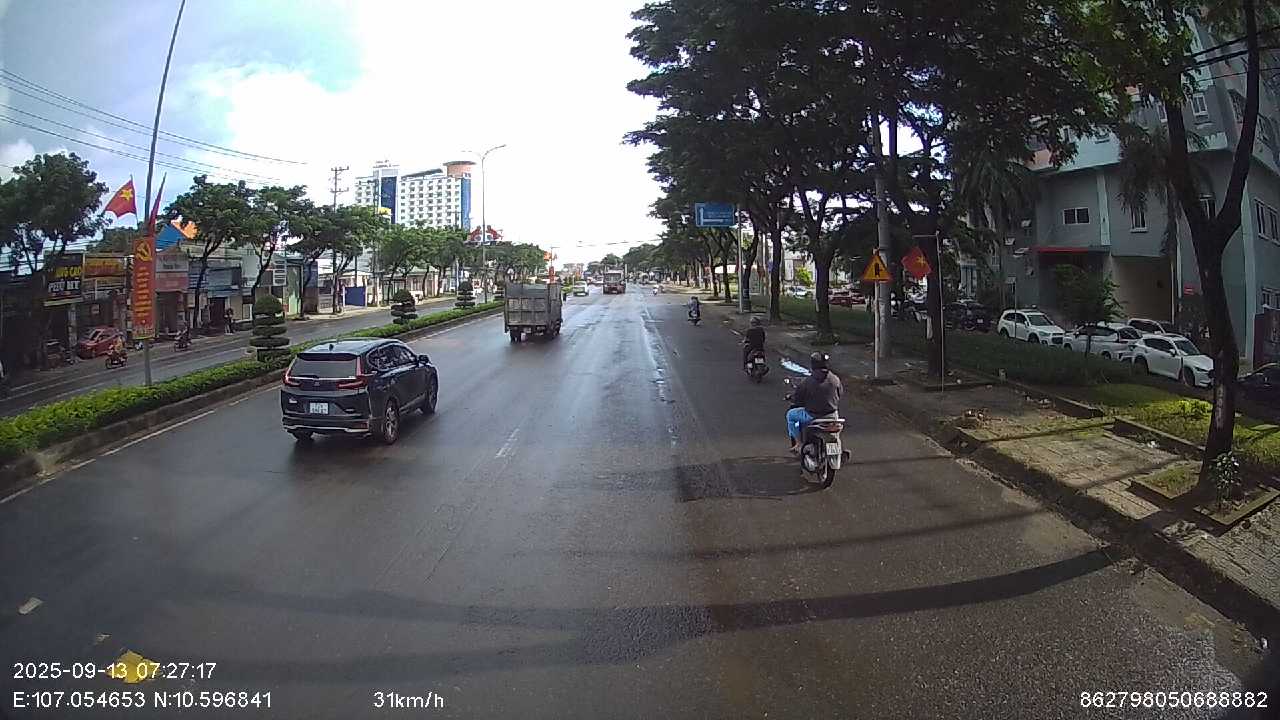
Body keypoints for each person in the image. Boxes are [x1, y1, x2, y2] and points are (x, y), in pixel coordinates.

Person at [787, 352, 843, 453]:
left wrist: (793, 399)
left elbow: (798, 399)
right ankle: (838, 449)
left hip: (813, 416)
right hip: (832, 416)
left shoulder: (807, 382)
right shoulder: (835, 379)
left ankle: (798, 444)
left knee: (791, 415)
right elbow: (840, 393)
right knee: (835, 433)